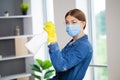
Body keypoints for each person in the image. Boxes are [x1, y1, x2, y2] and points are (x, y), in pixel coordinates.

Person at [44, 9, 93, 80]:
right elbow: (59, 61)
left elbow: (61, 66)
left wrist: (53, 42)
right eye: (67, 23)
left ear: (83, 24)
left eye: (74, 22)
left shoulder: (84, 46)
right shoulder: (72, 43)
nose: (70, 25)